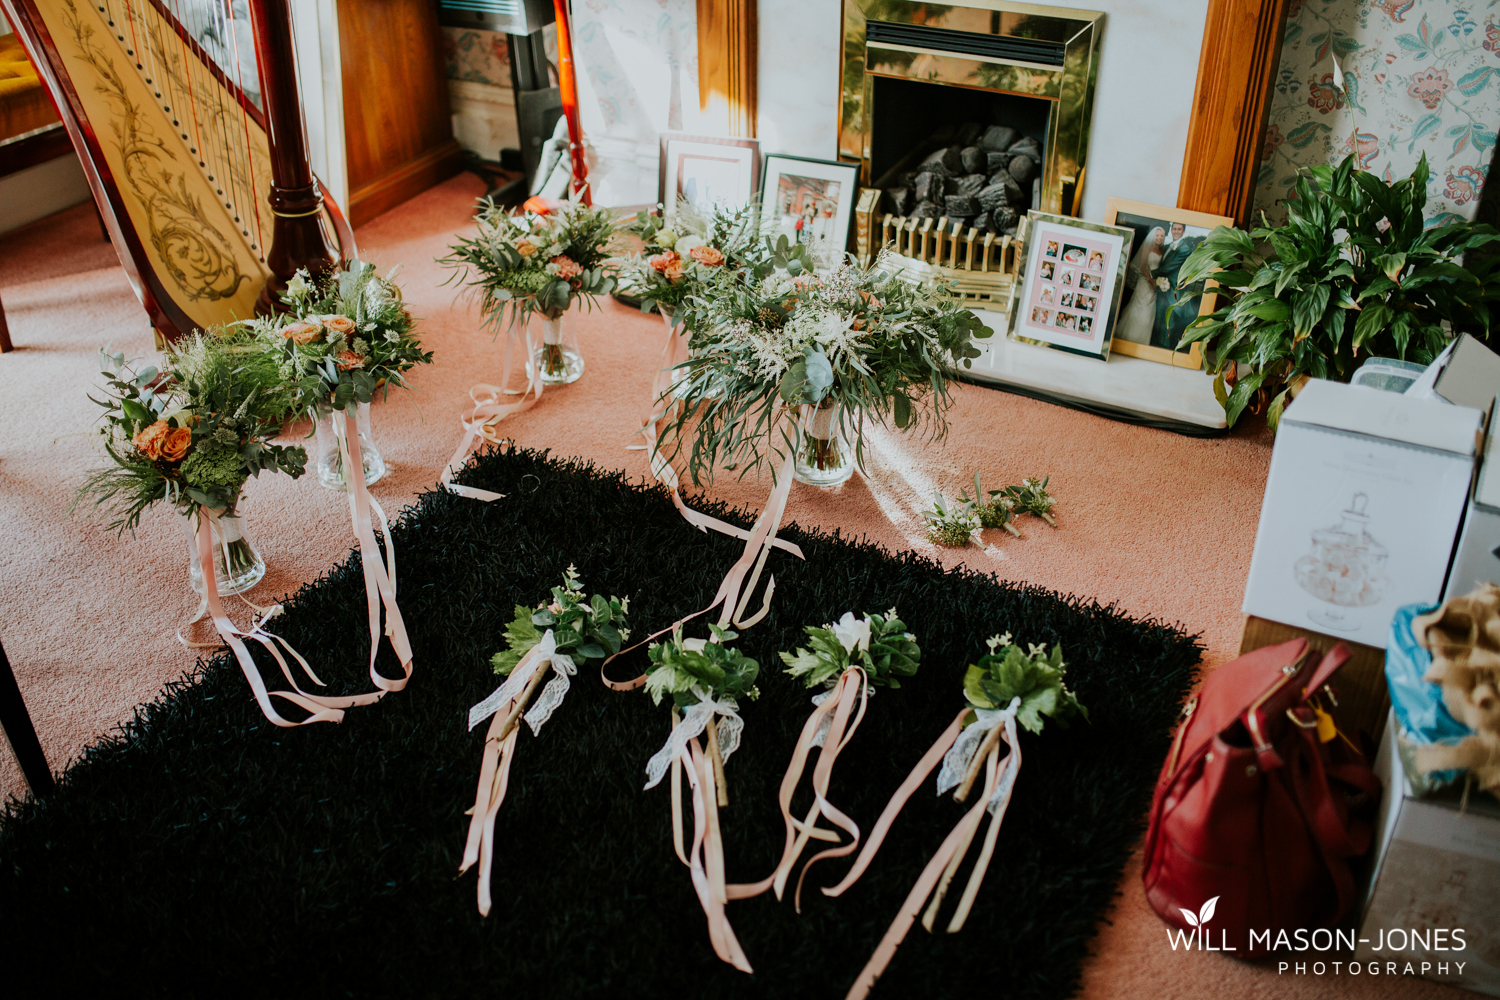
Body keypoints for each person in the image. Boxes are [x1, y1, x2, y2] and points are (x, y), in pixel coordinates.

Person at [1151, 222, 1207, 350]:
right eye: (1174, 229)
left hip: (1174, 289)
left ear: (1183, 231)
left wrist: (1150, 273)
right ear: (1171, 230)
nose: (1176, 231)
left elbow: (1168, 267)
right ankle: (1155, 343)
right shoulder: (1167, 247)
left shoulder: (1184, 248)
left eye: (1179, 229)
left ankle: (1163, 347)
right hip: (1163, 287)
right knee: (1159, 316)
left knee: (1169, 318)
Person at [1115, 226, 1164, 345]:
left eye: (1161, 235)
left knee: (1149, 314)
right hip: (1145, 283)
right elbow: (1143, 266)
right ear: (1153, 236)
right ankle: (1131, 338)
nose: (1159, 237)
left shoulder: (1161, 251)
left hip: (1155, 286)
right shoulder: (1147, 247)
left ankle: (1142, 341)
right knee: (1139, 311)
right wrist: (1152, 282)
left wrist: (1158, 282)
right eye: (1157, 235)